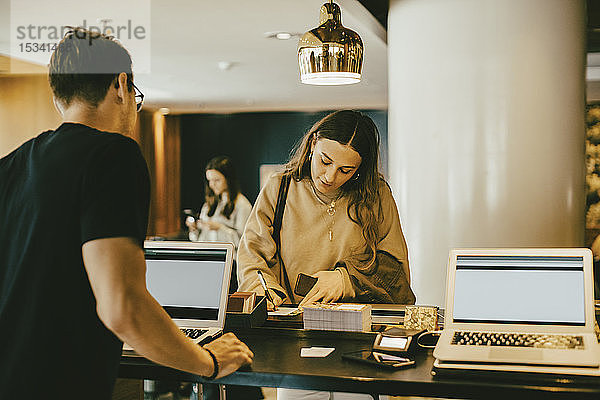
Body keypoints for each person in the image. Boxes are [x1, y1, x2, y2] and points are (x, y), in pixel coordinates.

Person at [0, 28, 252, 400]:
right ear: (122, 85)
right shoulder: (114, 154)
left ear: (58, 96)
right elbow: (122, 306)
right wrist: (206, 361)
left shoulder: (12, 165)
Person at [237, 110, 414, 400]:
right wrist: (265, 292)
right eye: (325, 161)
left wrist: (346, 280)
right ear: (312, 144)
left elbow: (395, 271)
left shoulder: (376, 194)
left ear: (361, 168)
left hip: (361, 342)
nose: (330, 177)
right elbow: (252, 255)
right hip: (296, 337)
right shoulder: (279, 187)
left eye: (346, 170)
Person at [187, 156, 252, 249]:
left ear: (228, 179)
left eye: (217, 180)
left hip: (230, 260)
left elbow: (244, 242)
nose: (212, 185)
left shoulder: (242, 205)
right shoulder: (208, 205)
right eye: (209, 180)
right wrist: (194, 229)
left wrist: (220, 228)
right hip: (209, 258)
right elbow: (198, 241)